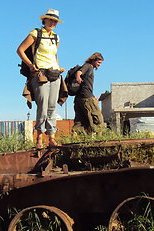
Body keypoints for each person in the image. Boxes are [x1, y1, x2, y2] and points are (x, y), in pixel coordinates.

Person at [17, 9, 65, 148]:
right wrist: (31, 65)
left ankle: (51, 137)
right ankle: (39, 138)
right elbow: (20, 50)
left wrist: (58, 66)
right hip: (40, 73)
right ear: (44, 20)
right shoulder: (35, 33)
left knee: (52, 106)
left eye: (55, 21)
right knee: (42, 106)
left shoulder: (56, 37)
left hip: (55, 73)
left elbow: (53, 56)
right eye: (50, 20)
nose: (53, 23)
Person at [72, 52, 105, 134]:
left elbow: (86, 86)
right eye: (98, 62)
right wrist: (78, 77)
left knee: (81, 121)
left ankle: (76, 138)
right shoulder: (88, 66)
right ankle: (99, 140)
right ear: (93, 60)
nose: (99, 65)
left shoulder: (88, 67)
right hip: (86, 98)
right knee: (98, 119)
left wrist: (93, 96)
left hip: (79, 98)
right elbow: (79, 72)